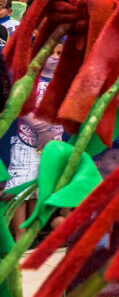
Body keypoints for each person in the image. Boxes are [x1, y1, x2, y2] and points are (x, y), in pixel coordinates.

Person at [7, 43, 64, 239]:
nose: (56, 57)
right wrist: (41, 130)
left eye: (60, 53)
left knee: (39, 188)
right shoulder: (29, 79)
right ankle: (20, 234)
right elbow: (19, 106)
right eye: (52, 53)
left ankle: (33, 233)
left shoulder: (62, 82)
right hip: (27, 141)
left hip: (52, 146)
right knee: (21, 188)